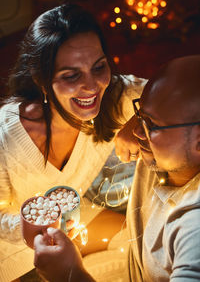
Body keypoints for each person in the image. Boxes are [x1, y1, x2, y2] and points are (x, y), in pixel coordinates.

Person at [0, 2, 146, 281]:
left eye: (98, 67)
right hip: (10, 261)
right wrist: (33, 224)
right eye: (71, 75)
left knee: (139, 240)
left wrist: (140, 118)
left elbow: (174, 87)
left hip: (73, 226)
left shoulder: (115, 96)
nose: (92, 86)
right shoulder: (6, 136)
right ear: (41, 79)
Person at [33, 55, 200, 282]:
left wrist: (69, 275)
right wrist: (142, 117)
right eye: (139, 114)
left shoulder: (194, 231)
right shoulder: (174, 153)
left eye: (151, 124)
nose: (138, 132)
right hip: (135, 250)